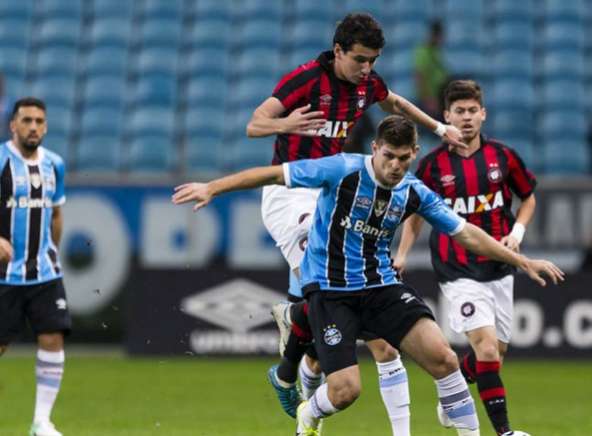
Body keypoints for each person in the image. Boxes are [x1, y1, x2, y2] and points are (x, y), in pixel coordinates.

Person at [172, 115, 564, 436]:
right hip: (331, 292)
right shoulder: (341, 169)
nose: (395, 166)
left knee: (444, 358)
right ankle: (309, 412)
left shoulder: (414, 191)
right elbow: (272, 174)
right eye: (388, 156)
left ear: (414, 154)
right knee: (345, 392)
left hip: (381, 288)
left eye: (403, 159)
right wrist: (213, 187)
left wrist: (523, 261)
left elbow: (466, 234)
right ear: (375, 149)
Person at [245, 12, 467, 434]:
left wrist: (439, 127)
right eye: (360, 59)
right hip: (290, 192)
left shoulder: (367, 83)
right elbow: (254, 124)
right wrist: (286, 124)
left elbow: (395, 104)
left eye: (373, 60)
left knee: (358, 322)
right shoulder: (305, 80)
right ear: (338, 50)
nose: (367, 69)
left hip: (333, 188)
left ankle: (292, 353)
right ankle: (294, 327)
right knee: (323, 266)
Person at [394, 80, 536, 436]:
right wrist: (402, 254)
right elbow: (415, 216)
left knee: (495, 353)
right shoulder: (431, 166)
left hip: (500, 265)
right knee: (487, 348)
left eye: (473, 111)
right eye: (459, 111)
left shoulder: (503, 157)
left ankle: (451, 394)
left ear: (483, 114)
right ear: (446, 116)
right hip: (456, 268)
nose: (467, 118)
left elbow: (528, 197)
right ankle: (504, 432)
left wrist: (516, 234)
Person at [0, 97, 69, 436]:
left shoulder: (55, 164)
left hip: (44, 272)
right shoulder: (0, 161)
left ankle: (42, 422)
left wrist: (52, 250)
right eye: (26, 120)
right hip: (4, 275)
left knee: (53, 337)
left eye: (39, 121)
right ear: (13, 125)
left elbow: (56, 214)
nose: (33, 127)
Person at [414, 20, 448, 120]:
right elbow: (419, 77)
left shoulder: (437, 51)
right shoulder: (423, 51)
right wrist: (427, 100)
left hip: (439, 99)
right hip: (429, 102)